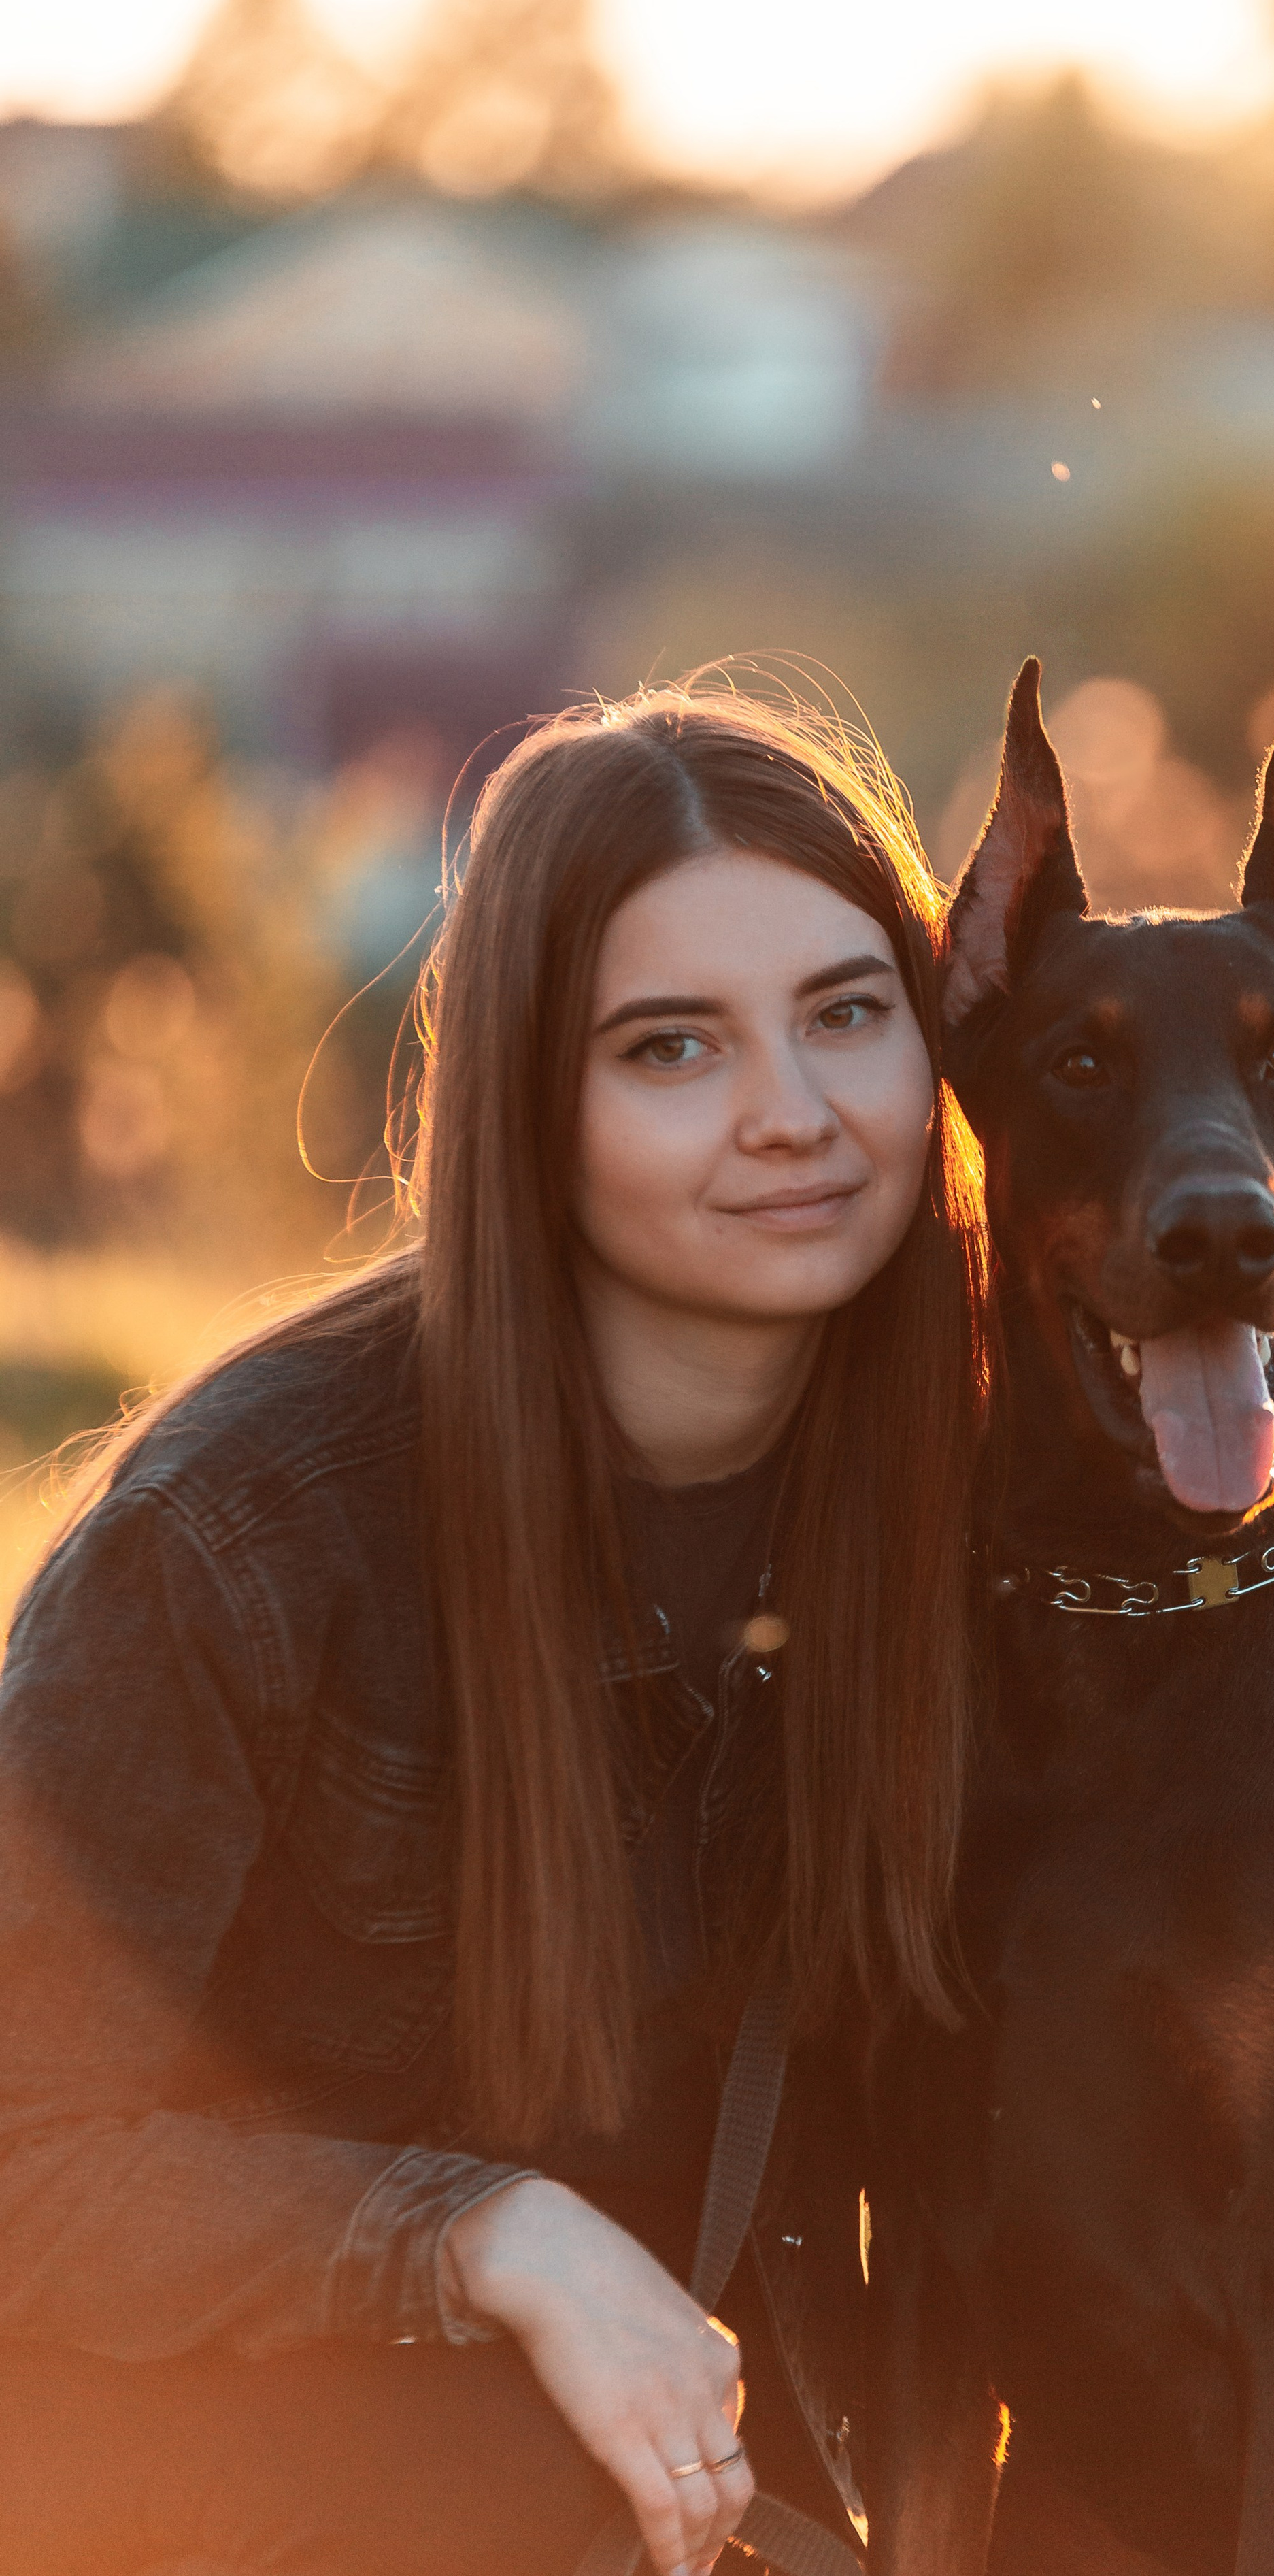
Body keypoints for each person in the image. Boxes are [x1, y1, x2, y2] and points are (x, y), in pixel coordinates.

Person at [0, 686, 992, 2576]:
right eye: (671, 1047)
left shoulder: (992, 1475)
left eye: (849, 1013)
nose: (794, 1113)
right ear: (529, 1104)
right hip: (217, 2496)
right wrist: (478, 2232)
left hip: (689, 2508)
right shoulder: (239, 1540)